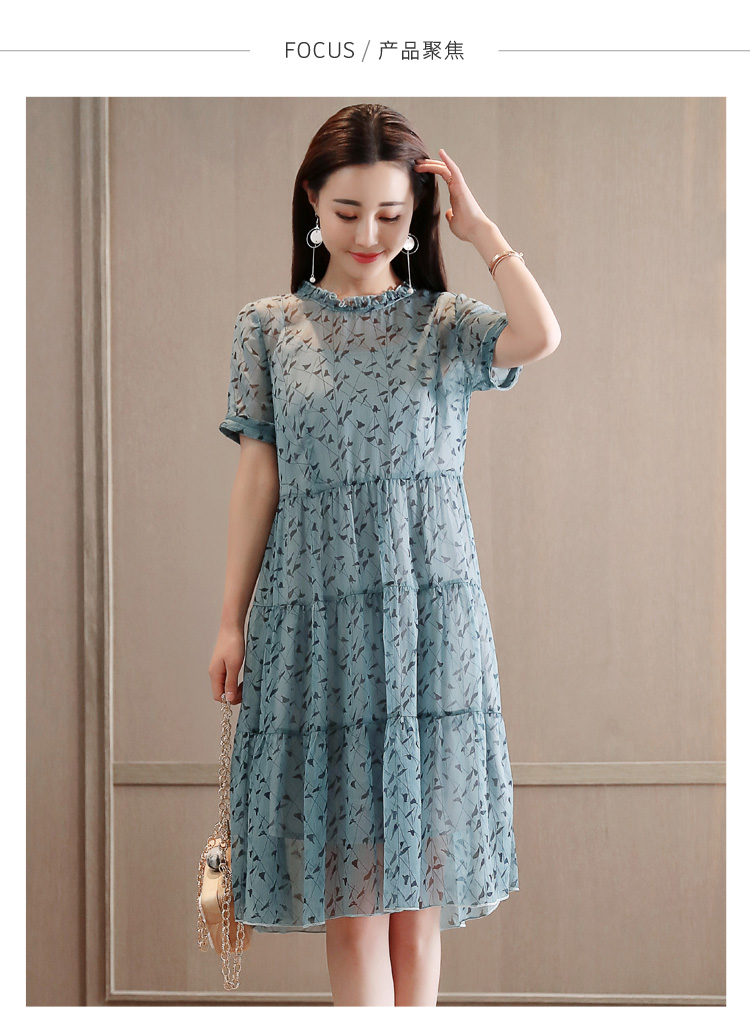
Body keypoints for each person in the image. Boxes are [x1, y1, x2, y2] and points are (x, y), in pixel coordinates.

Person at [208, 102, 561, 1006]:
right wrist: (229, 620)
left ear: (418, 215)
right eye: (347, 211)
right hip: (317, 618)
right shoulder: (268, 326)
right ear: (311, 202)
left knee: (417, 906)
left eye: (391, 214)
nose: (368, 234)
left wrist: (481, 233)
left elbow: (540, 336)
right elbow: (258, 477)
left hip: (429, 624)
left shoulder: (444, 321)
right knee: (355, 903)